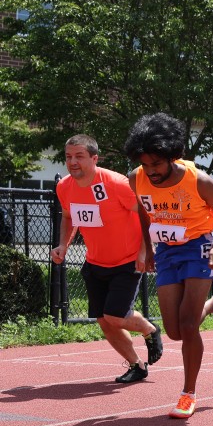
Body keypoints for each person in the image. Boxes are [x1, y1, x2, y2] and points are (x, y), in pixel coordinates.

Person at [126, 112, 213, 419]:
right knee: (174, 331)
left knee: (189, 326)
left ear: (172, 156)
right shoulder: (136, 178)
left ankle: (188, 393)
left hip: (199, 247)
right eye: (145, 164)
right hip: (166, 250)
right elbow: (144, 212)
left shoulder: (199, 181)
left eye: (156, 164)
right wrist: (148, 248)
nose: (151, 171)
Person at [51, 134, 162, 384]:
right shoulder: (64, 187)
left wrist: (145, 251)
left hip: (127, 260)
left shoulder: (116, 183)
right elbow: (68, 217)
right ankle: (137, 365)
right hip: (95, 262)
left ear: (94, 158)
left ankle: (149, 329)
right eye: (68, 157)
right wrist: (63, 245)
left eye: (79, 156)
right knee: (104, 321)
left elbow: (147, 214)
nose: (73, 162)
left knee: (115, 316)